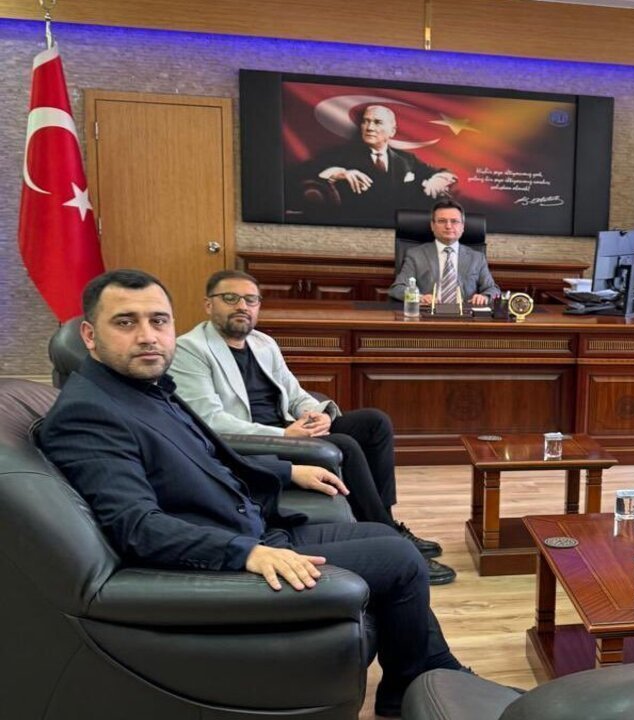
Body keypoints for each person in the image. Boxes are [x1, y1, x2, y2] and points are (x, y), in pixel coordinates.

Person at [38, 269, 464, 717]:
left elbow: (206, 456)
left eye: (158, 321)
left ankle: (424, 676)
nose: (147, 336)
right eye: (125, 322)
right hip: (227, 550)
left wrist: (288, 470)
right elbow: (137, 527)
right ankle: (419, 683)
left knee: (387, 540)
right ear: (90, 335)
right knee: (400, 560)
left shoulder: (140, 388)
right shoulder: (91, 413)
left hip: (249, 524)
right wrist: (247, 553)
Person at [169, 270, 456, 585]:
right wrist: (284, 435)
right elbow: (210, 421)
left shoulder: (263, 343)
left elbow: (294, 395)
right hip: (253, 444)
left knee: (374, 423)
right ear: (208, 305)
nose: (242, 306)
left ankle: (386, 520)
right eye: (230, 298)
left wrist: (320, 414)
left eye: (250, 300)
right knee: (344, 445)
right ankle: (390, 539)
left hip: (289, 430)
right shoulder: (190, 349)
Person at [306, 104, 457, 225]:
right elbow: (309, 173)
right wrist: (341, 173)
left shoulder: (407, 159)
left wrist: (439, 179)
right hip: (356, 226)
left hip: (396, 227)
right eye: (365, 121)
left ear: (392, 131)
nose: (369, 127)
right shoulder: (342, 154)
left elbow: (445, 173)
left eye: (377, 122)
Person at [388, 200, 500, 307]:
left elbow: (493, 289)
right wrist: (419, 297)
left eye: (454, 221)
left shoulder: (477, 258)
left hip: (465, 314)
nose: (448, 226)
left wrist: (485, 296)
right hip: (428, 314)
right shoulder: (416, 255)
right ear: (432, 225)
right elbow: (398, 289)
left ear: (462, 226)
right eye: (442, 221)